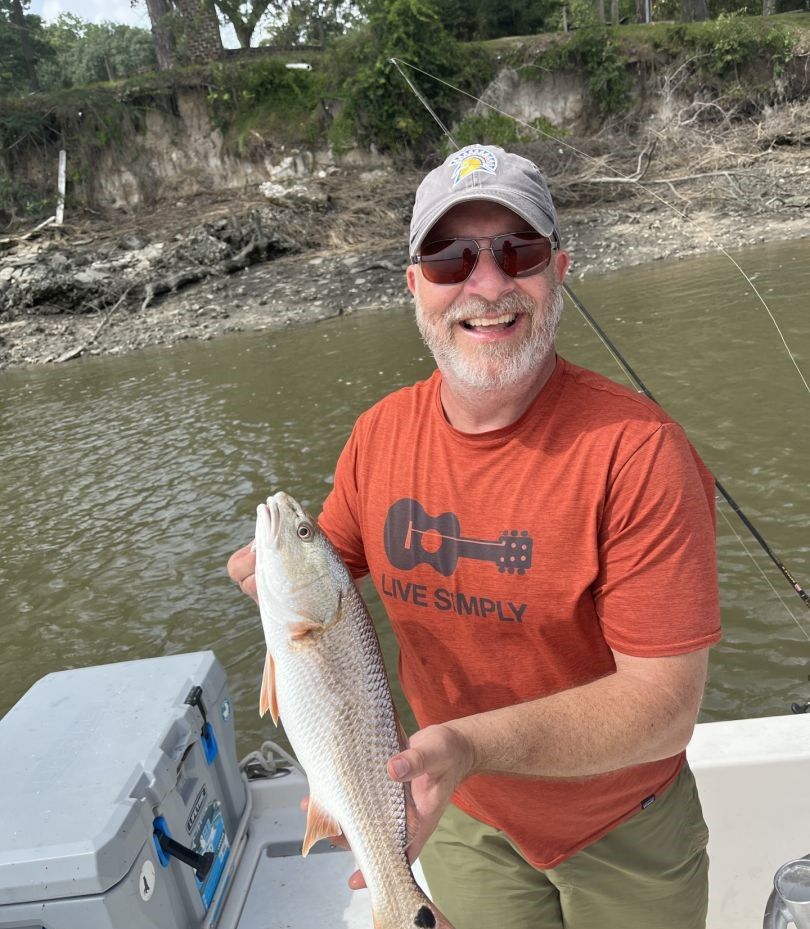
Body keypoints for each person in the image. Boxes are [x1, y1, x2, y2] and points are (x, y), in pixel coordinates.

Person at [228, 143, 721, 929]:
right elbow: (327, 583)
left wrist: (464, 744)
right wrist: (269, 579)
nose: (486, 285)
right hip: (456, 813)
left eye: (516, 251)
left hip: (622, 821)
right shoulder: (378, 436)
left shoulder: (638, 451)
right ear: (415, 285)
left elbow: (665, 707)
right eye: (450, 258)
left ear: (559, 269)